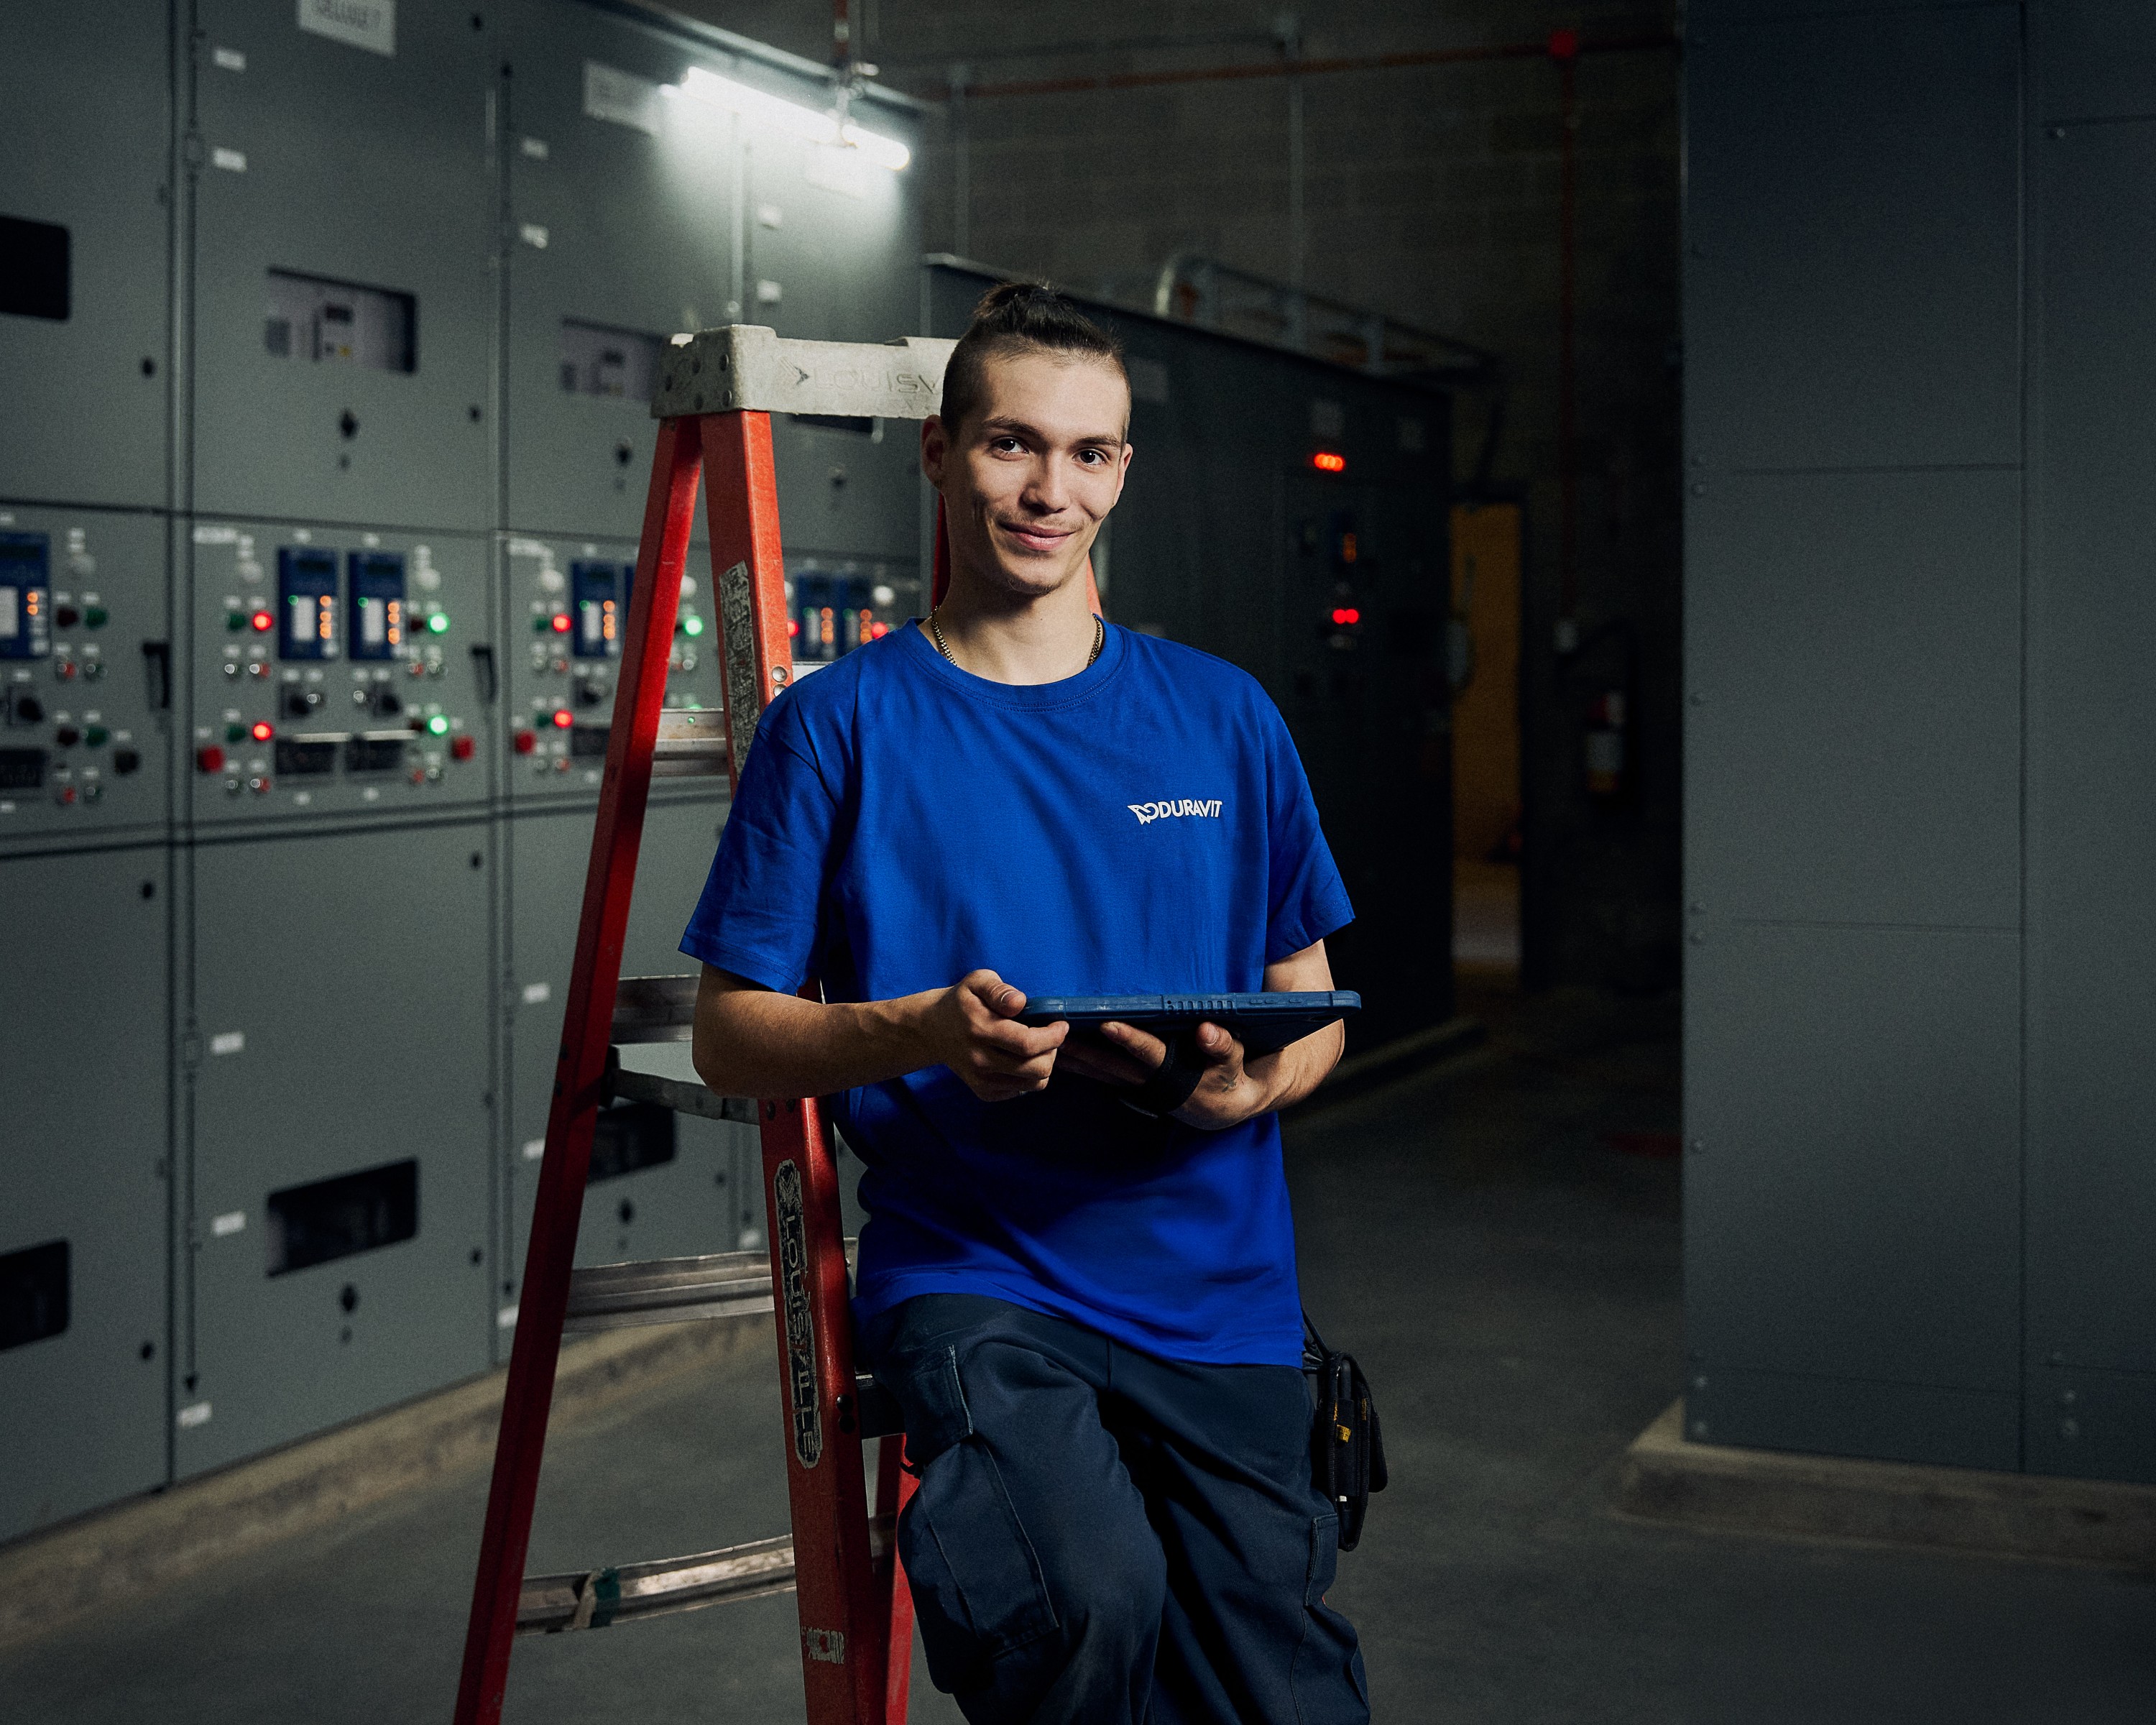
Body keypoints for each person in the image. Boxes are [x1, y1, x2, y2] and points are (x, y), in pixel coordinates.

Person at [683, 281, 1368, 1725]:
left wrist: (1253, 1084)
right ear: (938, 455)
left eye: (1089, 453)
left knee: (1282, 1697)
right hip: (982, 1278)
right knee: (1081, 1602)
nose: (1050, 490)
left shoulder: (1226, 715)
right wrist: (924, 1030)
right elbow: (731, 1034)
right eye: (1011, 446)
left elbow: (1314, 1005)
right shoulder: (839, 727)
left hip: (1221, 1290)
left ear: (1123, 468)